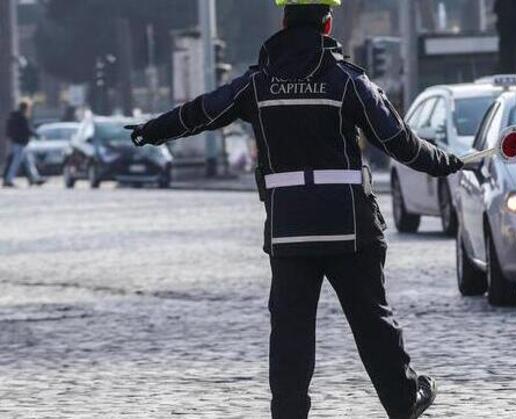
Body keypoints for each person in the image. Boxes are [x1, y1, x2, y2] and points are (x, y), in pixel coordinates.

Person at [125, 1, 463, 418]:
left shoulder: (257, 84)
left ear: (283, 22)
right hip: (349, 227)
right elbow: (399, 142)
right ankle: (402, 399)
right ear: (328, 22)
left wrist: (150, 131)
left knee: (290, 332)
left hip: (290, 228)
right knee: (372, 319)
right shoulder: (347, 81)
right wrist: (448, 162)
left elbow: (202, 112)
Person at [3, 101, 45, 188]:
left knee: (29, 162)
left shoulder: (14, 116)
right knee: (15, 163)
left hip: (18, 143)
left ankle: (34, 178)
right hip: (19, 144)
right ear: (25, 108)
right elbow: (27, 129)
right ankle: (8, 180)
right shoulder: (21, 118)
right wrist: (36, 135)